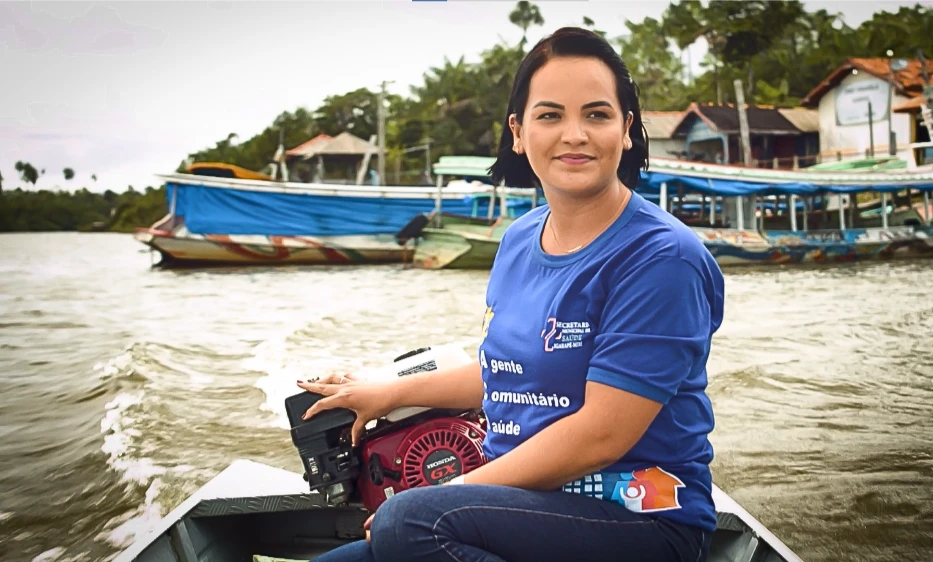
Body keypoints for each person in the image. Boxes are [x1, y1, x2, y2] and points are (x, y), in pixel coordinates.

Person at [298, 26, 724, 562]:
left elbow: (602, 435)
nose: (575, 134)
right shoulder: (520, 238)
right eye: (551, 115)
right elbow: (505, 373)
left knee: (409, 522)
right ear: (519, 132)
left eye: (597, 114)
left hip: (637, 519)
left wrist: (445, 497)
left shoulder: (662, 259)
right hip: (514, 505)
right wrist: (388, 391)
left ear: (628, 129)